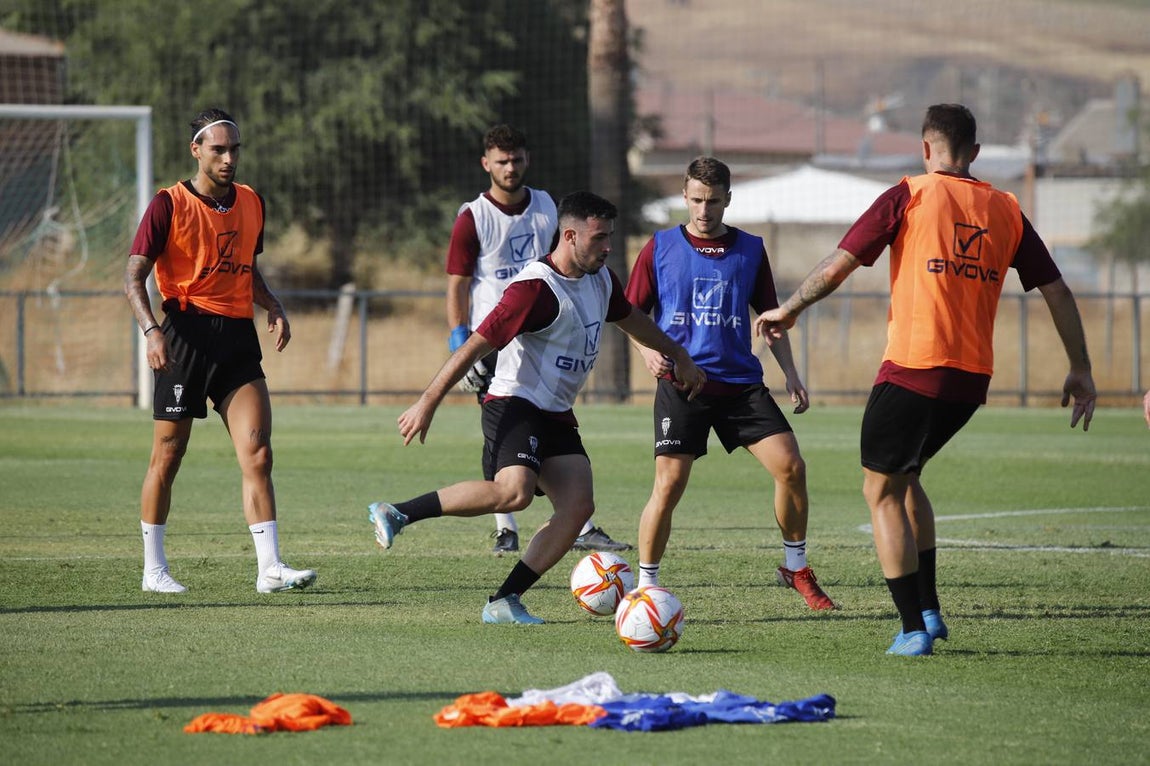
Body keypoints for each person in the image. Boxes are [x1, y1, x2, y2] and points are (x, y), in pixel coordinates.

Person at [755, 103, 1096, 655]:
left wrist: (789, 308)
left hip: (914, 369)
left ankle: (912, 627)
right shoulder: (1006, 208)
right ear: (976, 154)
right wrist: (1080, 368)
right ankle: (931, 612)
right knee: (906, 477)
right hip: (969, 381)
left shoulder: (909, 194)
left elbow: (840, 263)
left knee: (879, 489)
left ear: (925, 148)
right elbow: (1056, 289)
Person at [367, 192, 705, 624]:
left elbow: (633, 320)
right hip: (514, 403)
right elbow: (474, 346)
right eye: (600, 238)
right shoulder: (534, 290)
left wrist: (681, 356)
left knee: (578, 506)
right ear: (569, 235)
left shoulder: (602, 279)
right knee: (515, 493)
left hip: (557, 412)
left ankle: (504, 600)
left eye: (610, 238)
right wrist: (427, 402)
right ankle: (397, 512)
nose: (608, 247)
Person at [624, 156, 836, 611]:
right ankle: (646, 586)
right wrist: (646, 351)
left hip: (740, 385)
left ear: (728, 200)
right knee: (669, 485)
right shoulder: (659, 248)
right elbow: (627, 315)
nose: (704, 210)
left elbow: (771, 319)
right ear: (684, 196)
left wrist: (791, 374)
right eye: (697, 200)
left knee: (792, 467)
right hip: (684, 386)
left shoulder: (750, 250)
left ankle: (795, 567)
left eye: (714, 201)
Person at [123, 107, 316, 595]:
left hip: (236, 339)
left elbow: (248, 266)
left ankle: (269, 567)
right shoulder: (168, 203)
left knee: (259, 452)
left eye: (235, 149)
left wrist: (272, 305)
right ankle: (153, 569)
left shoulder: (253, 202)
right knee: (168, 455)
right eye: (219, 150)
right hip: (184, 337)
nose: (229, 158)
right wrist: (151, 331)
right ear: (197, 151)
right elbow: (132, 277)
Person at [446, 124, 631, 555]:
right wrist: (459, 337)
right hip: (495, 337)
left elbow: (566, 259)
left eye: (517, 159)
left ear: (527, 159)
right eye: (501, 160)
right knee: (503, 431)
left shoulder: (547, 205)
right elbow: (457, 283)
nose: (510, 168)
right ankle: (505, 527)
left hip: (545, 326)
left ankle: (578, 522)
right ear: (486, 163)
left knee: (550, 419)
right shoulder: (473, 216)